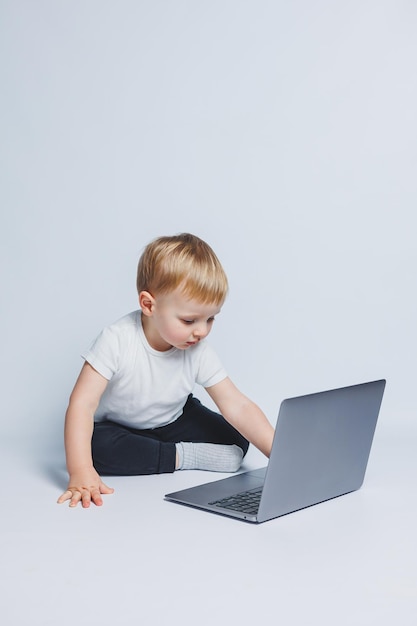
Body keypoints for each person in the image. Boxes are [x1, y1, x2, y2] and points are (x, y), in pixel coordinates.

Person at [57, 233, 274, 508]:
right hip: (120, 428)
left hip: (175, 418)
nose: (201, 331)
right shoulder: (117, 339)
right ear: (149, 305)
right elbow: (81, 404)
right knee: (95, 448)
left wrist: (280, 453)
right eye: (189, 320)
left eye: (210, 319)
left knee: (238, 435)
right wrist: (80, 471)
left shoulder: (197, 348)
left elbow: (237, 405)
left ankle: (161, 451)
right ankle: (183, 456)